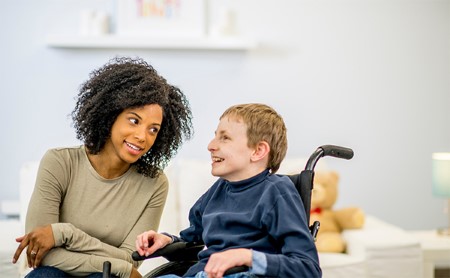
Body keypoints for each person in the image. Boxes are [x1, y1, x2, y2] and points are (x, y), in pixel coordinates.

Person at [12, 56, 194, 278]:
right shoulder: (59, 163)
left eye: (153, 129)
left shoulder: (154, 184)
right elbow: (40, 253)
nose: (142, 137)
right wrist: (120, 266)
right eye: (134, 121)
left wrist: (63, 234)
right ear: (111, 114)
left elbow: (131, 259)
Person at [135, 103, 321, 278]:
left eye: (225, 138)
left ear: (258, 151)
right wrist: (166, 240)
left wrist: (246, 257)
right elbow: (191, 241)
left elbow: (307, 267)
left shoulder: (276, 192)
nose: (211, 145)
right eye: (215, 135)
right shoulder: (218, 190)